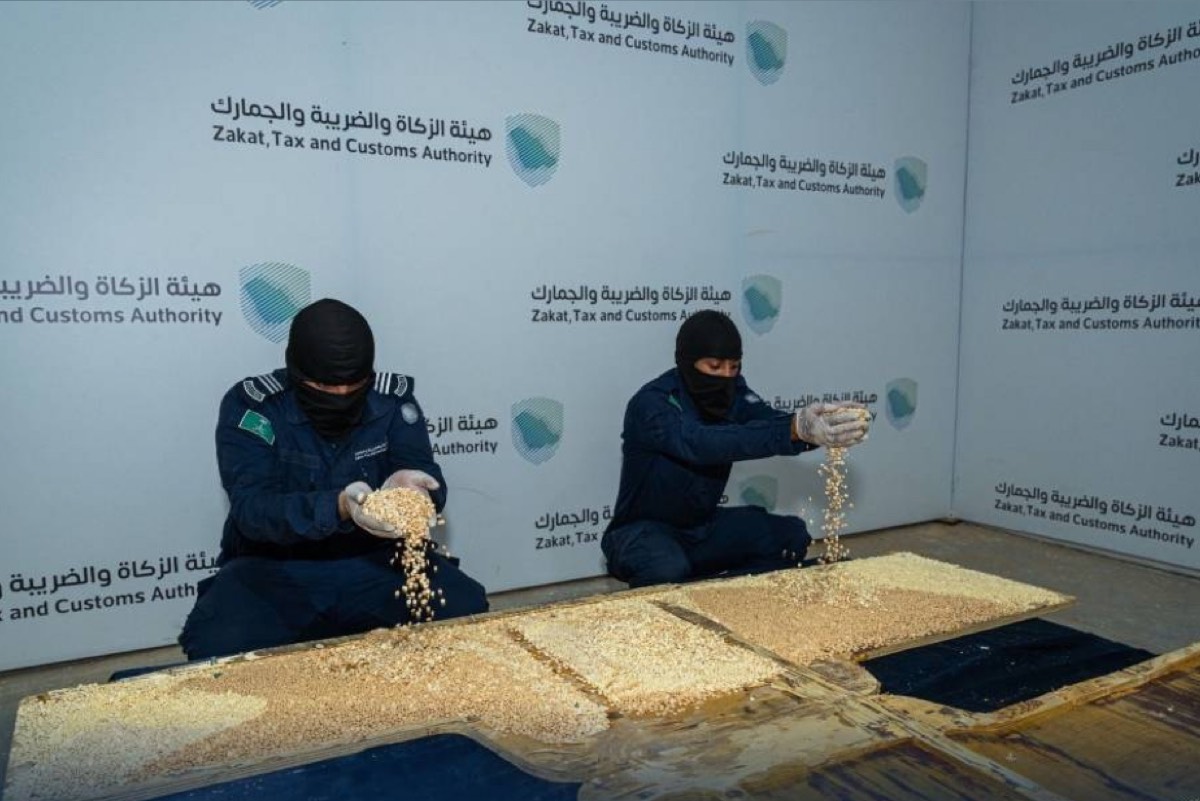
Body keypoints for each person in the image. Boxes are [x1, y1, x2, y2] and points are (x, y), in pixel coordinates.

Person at [180, 299, 488, 660]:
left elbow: (423, 472)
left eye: (354, 386)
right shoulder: (255, 407)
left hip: (375, 560)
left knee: (465, 607)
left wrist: (414, 490)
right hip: (276, 568)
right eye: (325, 388)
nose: (341, 397)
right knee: (216, 641)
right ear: (296, 371)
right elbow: (253, 510)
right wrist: (340, 505)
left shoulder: (390, 401)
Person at [601, 310, 870, 588]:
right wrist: (791, 428)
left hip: (703, 529)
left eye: (734, 367)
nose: (726, 376)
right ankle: (701, 585)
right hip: (642, 533)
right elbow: (701, 443)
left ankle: (718, 588)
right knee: (666, 566)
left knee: (791, 535)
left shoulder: (734, 391)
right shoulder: (652, 404)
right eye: (715, 367)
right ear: (687, 361)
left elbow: (767, 421)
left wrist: (815, 428)